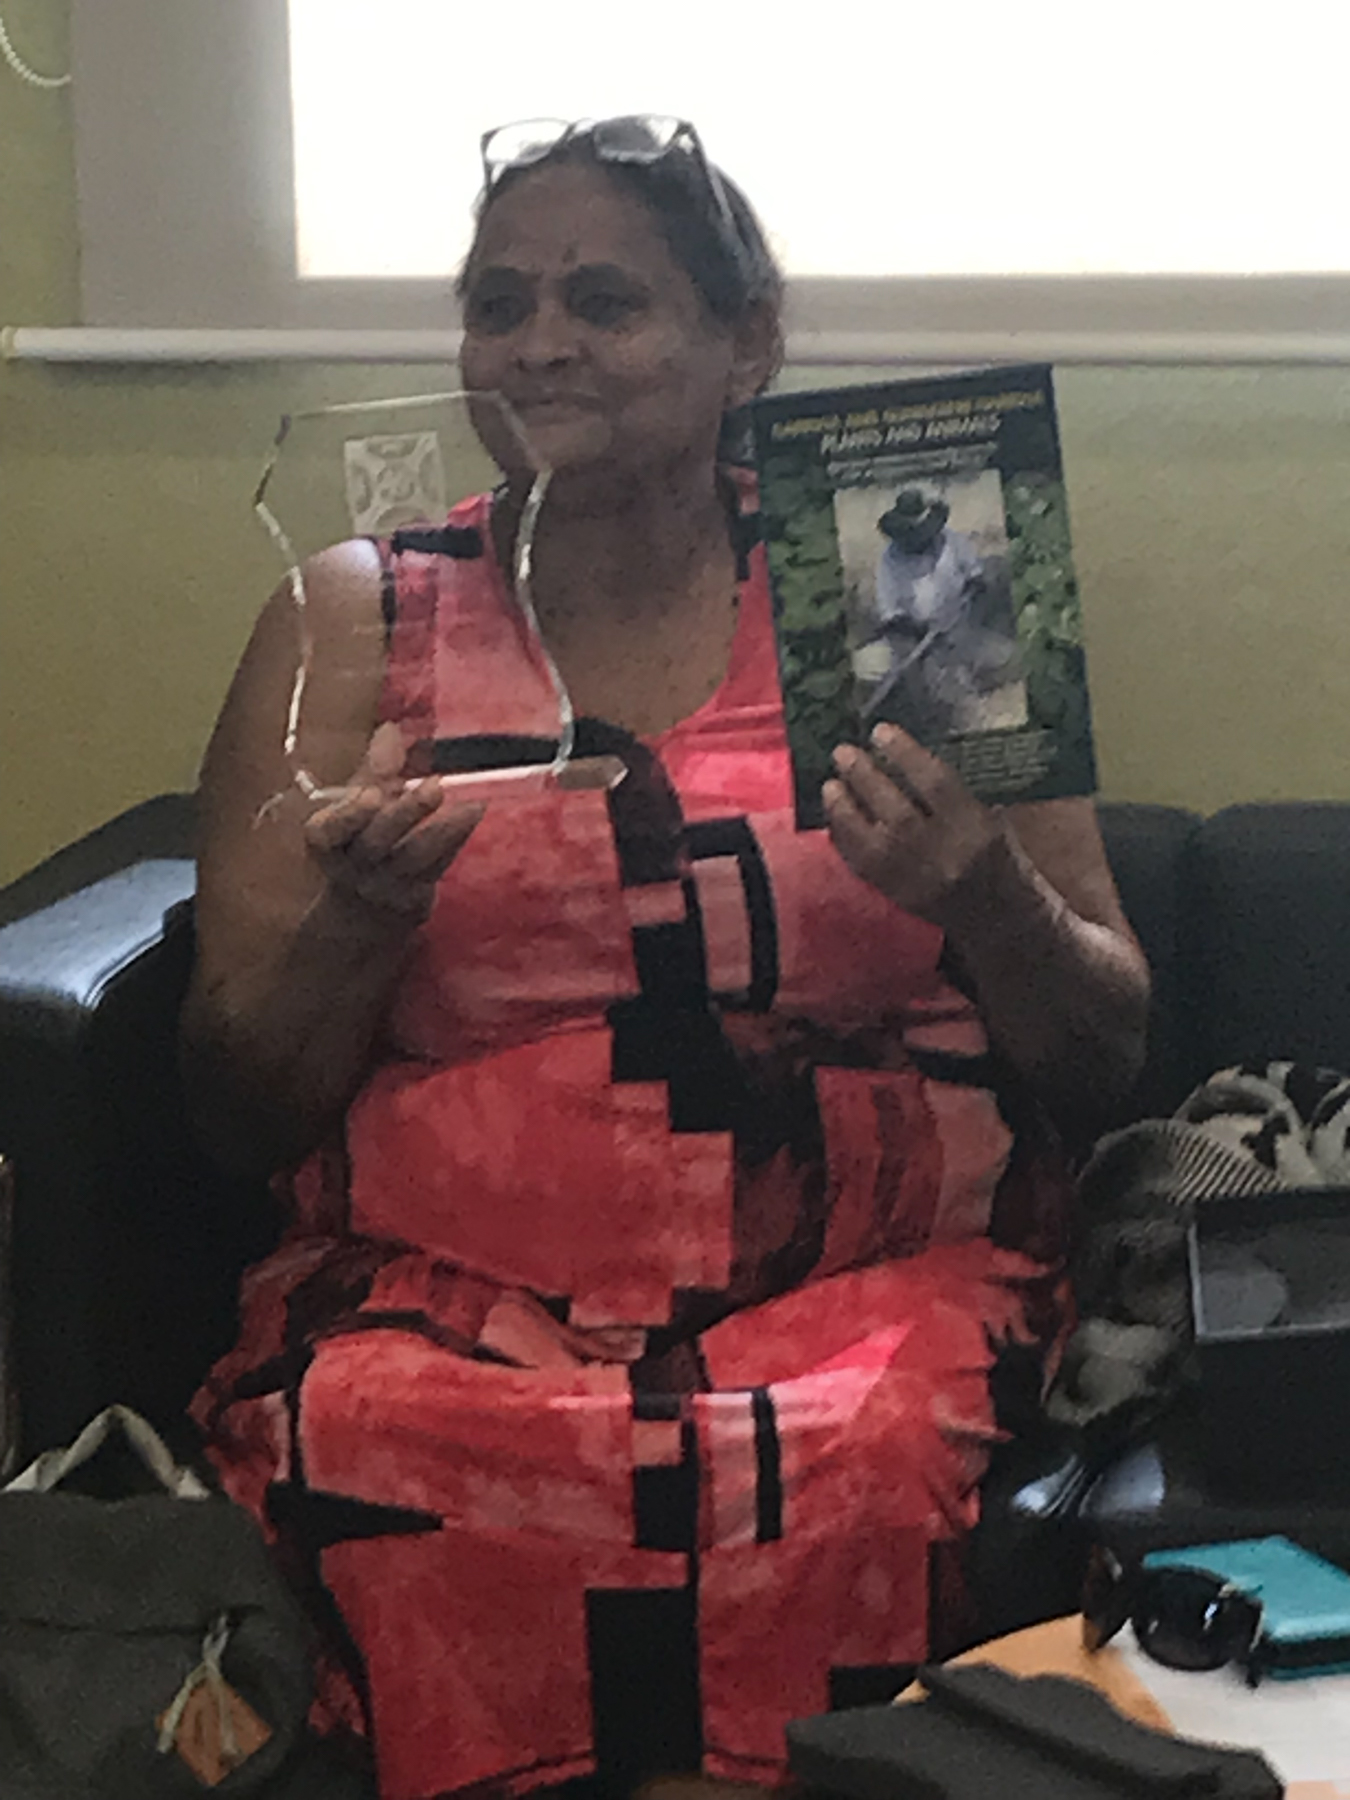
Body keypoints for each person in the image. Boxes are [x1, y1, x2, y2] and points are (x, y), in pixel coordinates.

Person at [182, 115, 1150, 1800]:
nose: (539, 342)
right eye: (500, 303)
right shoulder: (360, 619)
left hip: (864, 1295)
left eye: (606, 300)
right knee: (384, 1437)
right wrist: (361, 919)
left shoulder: (909, 583)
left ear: (744, 344)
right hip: (454, 1303)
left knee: (857, 1454)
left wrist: (983, 891)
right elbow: (236, 1100)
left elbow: (1103, 1051)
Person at [860, 488, 1021, 737]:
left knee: (1006, 657)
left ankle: (964, 682)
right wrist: (916, 630)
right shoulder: (889, 560)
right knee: (867, 664)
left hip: (960, 629)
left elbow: (976, 579)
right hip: (916, 639)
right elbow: (892, 614)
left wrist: (972, 593)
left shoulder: (953, 542)